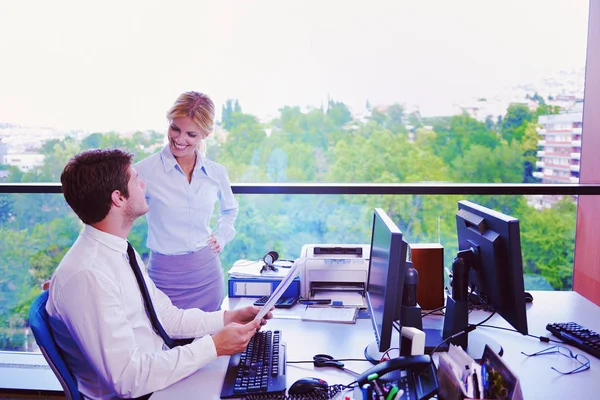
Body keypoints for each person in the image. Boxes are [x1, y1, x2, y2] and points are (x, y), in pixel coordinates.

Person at [46, 148, 268, 400]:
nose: (143, 183)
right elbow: (128, 379)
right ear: (118, 198)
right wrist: (214, 347)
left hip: (158, 374)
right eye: (135, 179)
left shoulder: (119, 250)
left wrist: (228, 319)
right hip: (141, 393)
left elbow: (166, 317)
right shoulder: (88, 276)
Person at [134, 91, 238, 312]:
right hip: (164, 279)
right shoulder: (143, 172)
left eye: (191, 134)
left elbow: (230, 210)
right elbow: (114, 220)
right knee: (165, 342)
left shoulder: (216, 173)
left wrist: (222, 236)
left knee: (212, 342)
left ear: (205, 134)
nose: (180, 140)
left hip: (207, 274)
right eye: (175, 129)